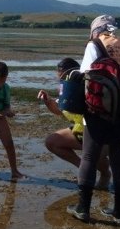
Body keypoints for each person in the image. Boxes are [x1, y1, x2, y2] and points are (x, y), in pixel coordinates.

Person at [67, 15, 120, 226]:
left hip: (99, 111)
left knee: (89, 157)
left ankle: (83, 209)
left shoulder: (94, 45)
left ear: (97, 30)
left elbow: (86, 74)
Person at [37, 58, 110, 189]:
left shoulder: (88, 87)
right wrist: (47, 101)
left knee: (95, 153)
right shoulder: (68, 91)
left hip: (100, 135)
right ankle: (83, 167)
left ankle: (105, 174)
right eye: (61, 80)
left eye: (63, 78)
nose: (62, 83)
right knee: (52, 142)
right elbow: (59, 110)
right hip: (81, 132)